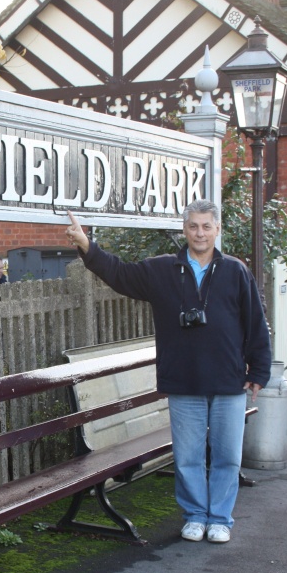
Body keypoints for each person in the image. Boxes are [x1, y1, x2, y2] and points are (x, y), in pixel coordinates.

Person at [64, 201, 271, 544]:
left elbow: (255, 324)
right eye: (193, 226)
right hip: (184, 380)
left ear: (217, 230)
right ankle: (194, 515)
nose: (200, 233)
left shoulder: (235, 271)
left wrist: (259, 369)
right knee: (188, 456)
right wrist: (87, 246)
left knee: (226, 456)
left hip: (228, 380)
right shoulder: (161, 270)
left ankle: (219, 518)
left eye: (206, 226)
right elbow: (120, 274)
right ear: (184, 229)